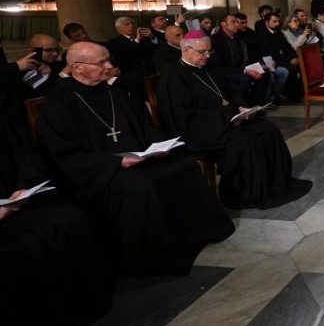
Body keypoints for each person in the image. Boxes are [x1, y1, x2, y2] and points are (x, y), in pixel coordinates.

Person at [37, 42, 235, 276]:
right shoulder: (59, 103)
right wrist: (115, 162)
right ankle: (161, 255)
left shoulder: (115, 93)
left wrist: (158, 146)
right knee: (142, 185)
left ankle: (196, 235)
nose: (110, 66)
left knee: (185, 165)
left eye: (108, 60)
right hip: (98, 171)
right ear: (77, 67)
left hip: (139, 158)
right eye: (102, 63)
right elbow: (61, 151)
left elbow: (145, 126)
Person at [156, 33, 312, 210]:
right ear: (186, 49)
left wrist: (241, 108)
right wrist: (227, 119)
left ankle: (274, 185)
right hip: (200, 131)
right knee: (247, 142)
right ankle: (244, 194)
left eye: (210, 51)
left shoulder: (206, 67)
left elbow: (230, 94)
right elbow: (182, 116)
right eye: (203, 52)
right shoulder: (173, 77)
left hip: (226, 121)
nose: (208, 56)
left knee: (268, 129)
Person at [0, 119, 113, 323]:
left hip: (17, 200)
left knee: (71, 218)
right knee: (18, 250)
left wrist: (23, 186)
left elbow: (23, 151)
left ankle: (86, 306)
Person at [256, 12, 300, 102]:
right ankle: (275, 97)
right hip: (270, 61)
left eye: (278, 21)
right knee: (288, 70)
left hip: (281, 59)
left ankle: (294, 94)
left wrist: (294, 57)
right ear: (267, 22)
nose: (277, 23)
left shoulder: (278, 32)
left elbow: (287, 46)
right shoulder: (262, 34)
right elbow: (269, 52)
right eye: (274, 21)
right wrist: (288, 60)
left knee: (297, 66)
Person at [22, 33, 66, 98]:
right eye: (49, 50)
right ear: (33, 51)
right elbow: (38, 96)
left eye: (57, 49)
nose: (55, 53)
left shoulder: (60, 64)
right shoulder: (26, 68)